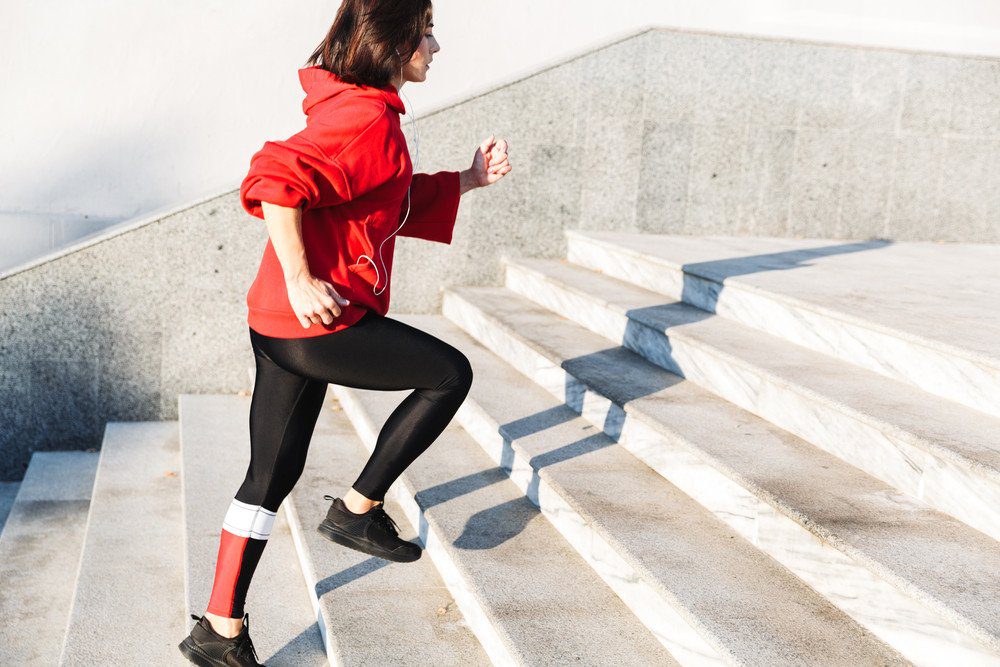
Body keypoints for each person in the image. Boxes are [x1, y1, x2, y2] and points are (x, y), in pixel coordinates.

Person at [178, 1, 511, 664]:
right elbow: (275, 179)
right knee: (448, 375)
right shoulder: (365, 119)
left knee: (269, 476)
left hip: (275, 325)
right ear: (393, 45)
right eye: (425, 34)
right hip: (314, 322)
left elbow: (379, 197)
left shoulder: (358, 109)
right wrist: (302, 276)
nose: (436, 47)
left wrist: (467, 180)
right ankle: (358, 508)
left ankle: (219, 628)